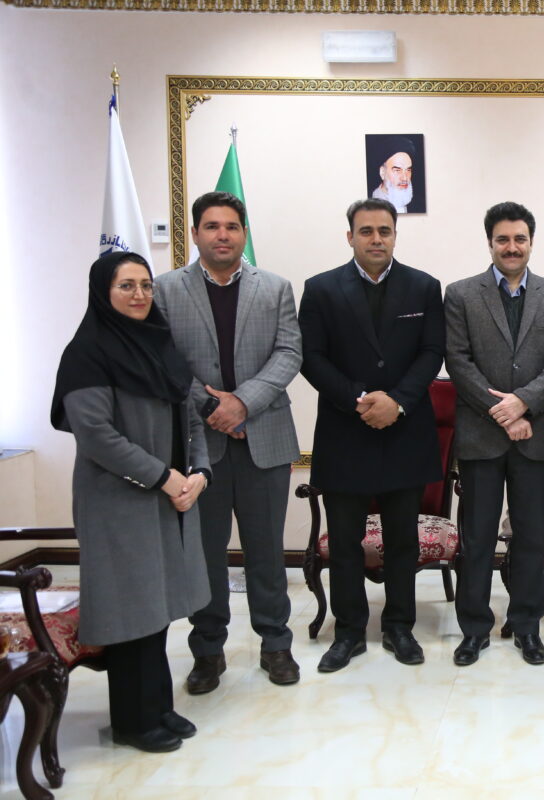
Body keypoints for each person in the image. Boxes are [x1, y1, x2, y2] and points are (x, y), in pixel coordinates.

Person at [50, 252, 211, 753]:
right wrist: (164, 477)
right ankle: (133, 721)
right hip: (118, 501)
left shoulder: (159, 343)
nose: (140, 295)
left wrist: (200, 474)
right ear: (104, 292)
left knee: (155, 606)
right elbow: (96, 435)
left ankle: (157, 707)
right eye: (127, 286)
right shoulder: (87, 353)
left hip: (167, 495)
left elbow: (191, 416)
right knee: (130, 609)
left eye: (146, 285)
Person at [154, 191, 302, 693]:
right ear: (196, 233)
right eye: (213, 226)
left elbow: (289, 353)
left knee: (267, 552)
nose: (223, 235)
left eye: (232, 226)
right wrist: (213, 409)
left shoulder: (275, 288)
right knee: (205, 553)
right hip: (198, 444)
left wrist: (243, 403)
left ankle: (275, 644)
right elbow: (165, 359)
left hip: (265, 438)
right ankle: (207, 650)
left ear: (244, 233)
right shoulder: (165, 290)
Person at [298, 198, 446, 673]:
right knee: (345, 542)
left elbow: (432, 352)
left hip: (405, 431)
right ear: (350, 237)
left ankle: (399, 627)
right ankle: (348, 632)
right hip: (346, 431)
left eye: (385, 230)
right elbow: (311, 357)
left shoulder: (424, 287)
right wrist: (360, 399)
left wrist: (396, 401)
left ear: (395, 235)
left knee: (403, 540)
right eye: (366, 231)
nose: (376, 239)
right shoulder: (320, 289)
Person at [443, 201, 544, 666]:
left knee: (530, 537)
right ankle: (474, 629)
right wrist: (503, 410)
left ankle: (526, 626)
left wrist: (524, 403)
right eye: (503, 239)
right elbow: (457, 360)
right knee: (477, 538)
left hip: (534, 434)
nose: (512, 247)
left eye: (520, 238)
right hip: (481, 436)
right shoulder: (460, 294)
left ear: (531, 242)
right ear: (490, 243)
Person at [369, 136, 423, 214]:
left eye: (408, 170)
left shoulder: (419, 206)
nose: (405, 178)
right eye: (397, 170)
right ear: (382, 172)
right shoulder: (368, 204)